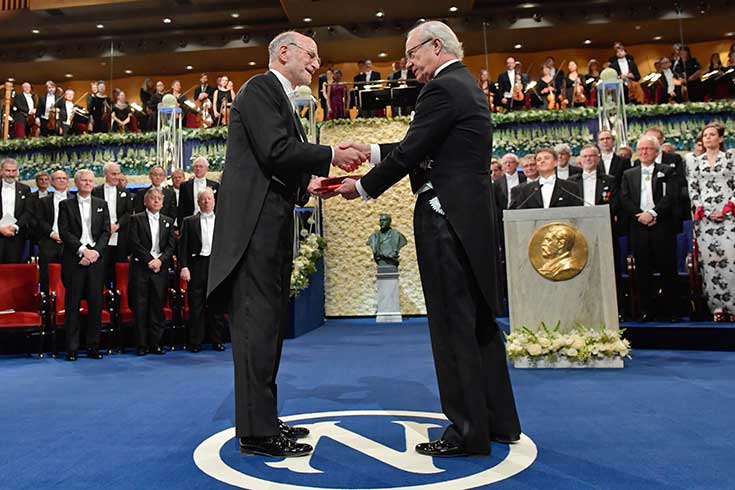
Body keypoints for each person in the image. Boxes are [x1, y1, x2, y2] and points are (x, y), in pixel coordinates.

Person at [332, 21, 520, 458]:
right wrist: (371, 151)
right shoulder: (463, 85)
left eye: (412, 54)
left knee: (452, 325)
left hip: (443, 218)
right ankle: (498, 421)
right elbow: (423, 141)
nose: (408, 64)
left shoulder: (441, 88)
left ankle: (467, 431)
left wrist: (360, 187)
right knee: (477, 323)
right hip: (468, 218)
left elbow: (413, 150)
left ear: (436, 46)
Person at [206, 30, 366, 458]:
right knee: (257, 327)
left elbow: (275, 162)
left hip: (269, 228)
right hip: (254, 231)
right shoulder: (260, 87)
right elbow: (278, 149)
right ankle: (256, 432)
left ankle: (263, 419)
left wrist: (308, 182)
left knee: (269, 328)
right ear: (284, 53)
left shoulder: (276, 96)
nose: (317, 63)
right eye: (311, 55)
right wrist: (331, 153)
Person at [621, 136, 680, 322]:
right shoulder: (629, 174)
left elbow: (672, 196)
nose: (644, 152)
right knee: (642, 270)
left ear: (656, 152)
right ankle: (646, 309)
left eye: (648, 149)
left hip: (661, 225)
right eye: (641, 149)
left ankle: (671, 310)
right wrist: (639, 215)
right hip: (639, 226)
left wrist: (653, 214)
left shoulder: (667, 171)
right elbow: (624, 198)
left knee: (667, 268)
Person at [57, 169, 110, 361]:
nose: (87, 183)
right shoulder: (65, 205)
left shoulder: (101, 204)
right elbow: (64, 232)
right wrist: (82, 250)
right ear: (77, 183)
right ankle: (72, 348)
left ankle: (93, 346)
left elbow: (105, 232)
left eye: (90, 181)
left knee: (96, 305)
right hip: (75, 260)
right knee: (73, 305)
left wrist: (95, 252)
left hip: (96, 260)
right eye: (84, 181)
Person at [685, 124, 735, 321]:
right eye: (705, 135)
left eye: (712, 135)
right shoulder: (694, 161)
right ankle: (717, 308)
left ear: (720, 139)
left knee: (730, 260)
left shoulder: (730, 158)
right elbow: (693, 188)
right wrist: (702, 209)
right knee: (711, 262)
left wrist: (728, 207)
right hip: (705, 219)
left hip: (728, 217)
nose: (708, 138)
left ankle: (732, 307)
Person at [128, 188, 176, 356]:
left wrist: (160, 261)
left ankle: (156, 343)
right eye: (153, 198)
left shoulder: (168, 221)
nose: (156, 201)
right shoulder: (136, 219)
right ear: (145, 202)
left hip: (159, 269)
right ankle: (141, 345)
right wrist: (149, 260)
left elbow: (171, 247)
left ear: (163, 203)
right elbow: (134, 243)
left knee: (157, 307)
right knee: (140, 307)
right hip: (142, 268)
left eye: (159, 199)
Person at [179, 188, 225, 352]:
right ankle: (195, 342)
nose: (207, 202)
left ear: (214, 201)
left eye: (209, 199)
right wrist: (184, 266)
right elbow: (182, 247)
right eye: (203, 199)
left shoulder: (222, 220)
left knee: (216, 305)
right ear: (198, 202)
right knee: (196, 305)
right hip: (197, 265)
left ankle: (217, 340)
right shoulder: (189, 221)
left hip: (216, 266)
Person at [92, 162, 133, 287]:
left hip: (120, 235)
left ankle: (118, 299)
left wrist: (117, 225)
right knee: (100, 269)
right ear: (105, 174)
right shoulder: (95, 191)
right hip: (100, 236)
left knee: (119, 270)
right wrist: (105, 227)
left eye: (118, 173)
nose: (116, 176)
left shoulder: (125, 192)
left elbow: (128, 213)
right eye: (113, 174)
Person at [510, 149, 583, 209]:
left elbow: (577, 212)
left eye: (546, 158)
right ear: (537, 166)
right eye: (539, 160)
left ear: (556, 162)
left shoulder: (570, 187)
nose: (542, 161)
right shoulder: (526, 190)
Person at [35, 170, 69, 291]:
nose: (61, 180)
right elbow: (40, 220)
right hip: (49, 242)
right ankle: (46, 304)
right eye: (58, 178)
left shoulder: (75, 199)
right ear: (52, 182)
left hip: (69, 243)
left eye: (64, 178)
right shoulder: (44, 201)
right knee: (46, 275)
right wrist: (53, 234)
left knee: (69, 275)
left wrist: (66, 236)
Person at [0, 158, 33, 263]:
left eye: (14, 171)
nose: (11, 174)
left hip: (16, 237)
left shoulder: (25, 189)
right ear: (1, 171)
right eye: (8, 170)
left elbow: (28, 212)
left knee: (13, 271)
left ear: (18, 171)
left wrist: (15, 226)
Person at [178, 157, 219, 224]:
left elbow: (217, 206)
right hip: (190, 222)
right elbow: (181, 208)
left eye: (201, 166)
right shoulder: (184, 186)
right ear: (193, 169)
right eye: (196, 166)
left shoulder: (215, 185)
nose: (198, 169)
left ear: (206, 169)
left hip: (210, 221)